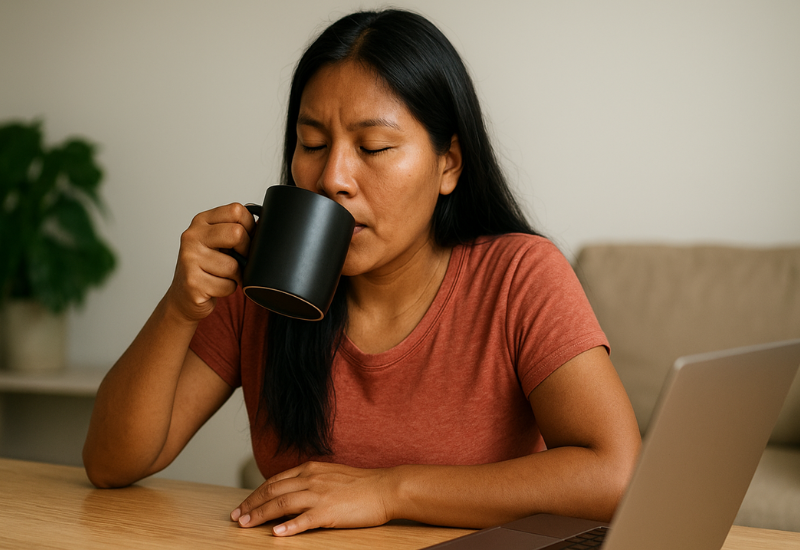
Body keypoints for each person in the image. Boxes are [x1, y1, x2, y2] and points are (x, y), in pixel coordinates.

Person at [83, 9, 641, 538]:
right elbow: (111, 463)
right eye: (312, 144)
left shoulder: (518, 276)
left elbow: (615, 475)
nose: (333, 178)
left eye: (373, 147)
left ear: (448, 163)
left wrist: (388, 492)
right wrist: (181, 307)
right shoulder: (264, 276)